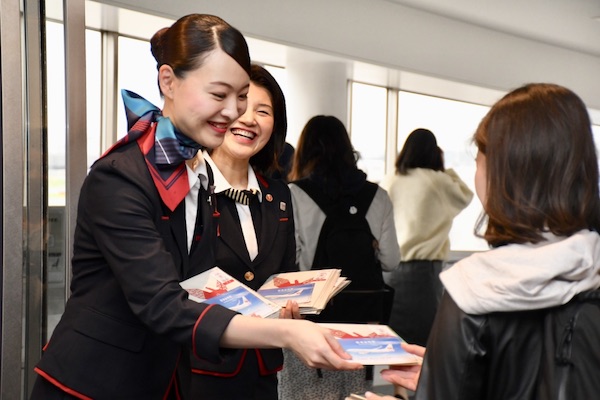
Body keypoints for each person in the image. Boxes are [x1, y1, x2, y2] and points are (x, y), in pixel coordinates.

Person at [30, 14, 361, 400]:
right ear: (168, 82)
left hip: (167, 381)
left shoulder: (196, 172)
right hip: (93, 383)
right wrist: (285, 332)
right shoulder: (120, 177)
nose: (236, 112)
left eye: (241, 96)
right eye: (220, 95)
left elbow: (198, 287)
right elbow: (163, 304)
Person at [357, 83, 600, 400]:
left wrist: (440, 380)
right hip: (425, 276)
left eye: (479, 160)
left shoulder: (473, 288)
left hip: (400, 274)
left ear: (504, 172)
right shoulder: (591, 269)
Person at [186, 64, 298, 399]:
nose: (249, 119)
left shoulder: (278, 194)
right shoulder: (187, 185)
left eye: (263, 111)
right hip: (196, 366)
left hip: (260, 370)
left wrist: (292, 304)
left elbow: (284, 273)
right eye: (241, 107)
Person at [279, 115, 400, 400]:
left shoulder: (294, 193)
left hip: (310, 323)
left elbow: (293, 264)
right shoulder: (377, 195)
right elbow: (391, 261)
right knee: (354, 394)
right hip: (360, 325)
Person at [379, 128, 473, 347]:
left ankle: (397, 383)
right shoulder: (436, 180)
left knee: (396, 346)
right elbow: (465, 195)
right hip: (423, 275)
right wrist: (445, 168)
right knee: (422, 345)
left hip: (389, 273)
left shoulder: (391, 178)